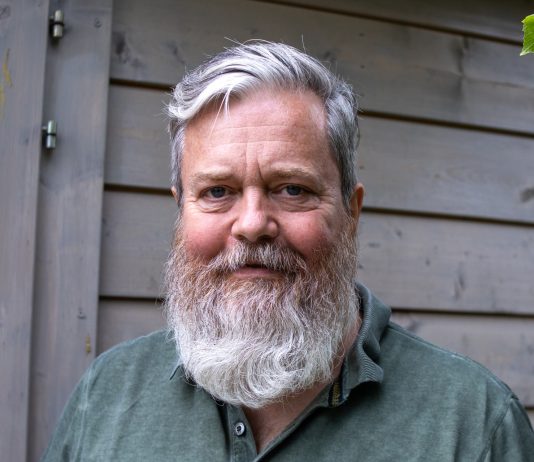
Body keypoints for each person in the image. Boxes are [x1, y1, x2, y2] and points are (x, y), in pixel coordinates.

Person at [43, 41, 534, 461]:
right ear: (180, 209)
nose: (252, 224)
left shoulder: (474, 425)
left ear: (351, 211)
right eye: (217, 192)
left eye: (293, 189)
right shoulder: (106, 395)